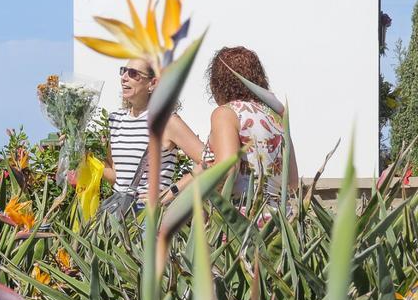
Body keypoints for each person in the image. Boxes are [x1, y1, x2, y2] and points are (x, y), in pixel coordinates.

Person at [204, 46, 298, 221]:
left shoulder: (226, 114)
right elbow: (292, 182)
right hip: (281, 221)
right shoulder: (277, 115)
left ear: (217, 82)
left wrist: (195, 195)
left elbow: (226, 170)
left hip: (242, 220)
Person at [102, 57, 204, 209]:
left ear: (152, 83)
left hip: (148, 214)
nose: (124, 78)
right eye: (123, 71)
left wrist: (172, 191)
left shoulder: (166, 122)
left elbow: (208, 161)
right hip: (119, 213)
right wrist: (83, 156)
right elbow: (118, 177)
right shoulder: (115, 120)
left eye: (133, 73)